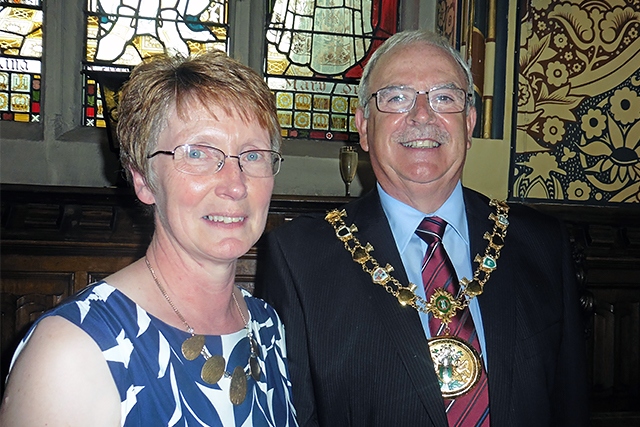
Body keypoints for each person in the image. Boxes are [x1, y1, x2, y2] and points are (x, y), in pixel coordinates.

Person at [255, 30, 589, 426]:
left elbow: (570, 406)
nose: (422, 115)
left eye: (444, 97)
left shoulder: (540, 243)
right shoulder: (299, 258)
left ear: (469, 123)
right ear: (363, 126)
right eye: (396, 97)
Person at [0, 51, 298, 426]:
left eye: (253, 155)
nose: (235, 185)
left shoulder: (267, 325)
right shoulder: (73, 351)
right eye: (198, 153)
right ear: (143, 179)